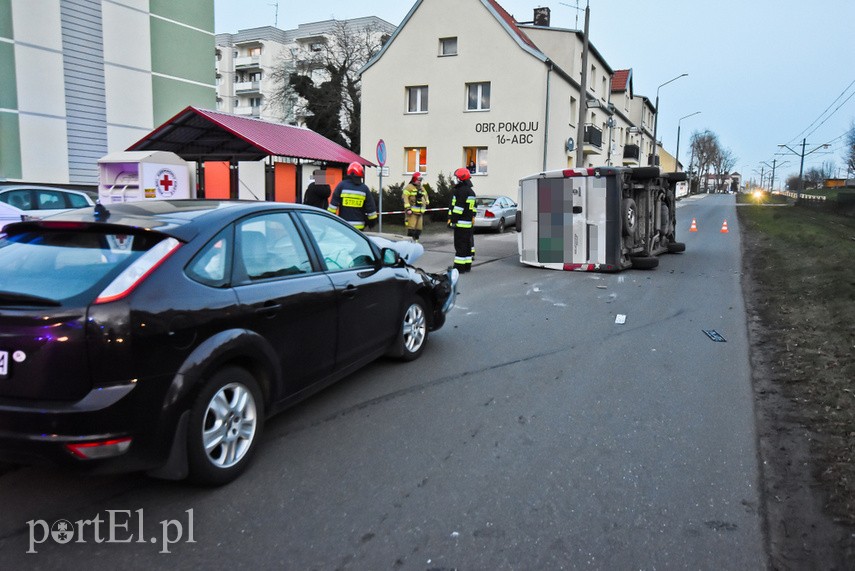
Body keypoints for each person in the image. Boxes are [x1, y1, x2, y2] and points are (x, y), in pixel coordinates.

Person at [328, 162, 378, 231]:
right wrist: (371, 223)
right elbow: (371, 210)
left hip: (343, 226)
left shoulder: (341, 186)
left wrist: (332, 222)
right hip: (358, 230)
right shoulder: (364, 189)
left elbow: (332, 208)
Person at [447, 167, 476, 272]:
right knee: (467, 245)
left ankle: (459, 268)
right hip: (468, 223)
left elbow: (458, 208)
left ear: (460, 179)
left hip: (460, 223)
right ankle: (467, 266)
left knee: (460, 246)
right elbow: (473, 209)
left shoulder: (461, 191)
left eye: (456, 177)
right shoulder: (470, 191)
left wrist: (452, 221)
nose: (454, 179)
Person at [402, 171, 430, 241]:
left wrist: (427, 201)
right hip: (412, 213)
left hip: (420, 212)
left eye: (420, 180)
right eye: (418, 180)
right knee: (411, 230)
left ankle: (416, 243)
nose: (419, 182)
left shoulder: (421, 187)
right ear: (414, 179)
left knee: (418, 230)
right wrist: (408, 209)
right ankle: (410, 244)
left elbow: (425, 194)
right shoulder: (409, 187)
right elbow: (405, 198)